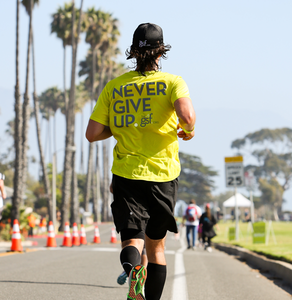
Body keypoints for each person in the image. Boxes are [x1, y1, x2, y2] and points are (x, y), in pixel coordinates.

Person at [86, 22, 196, 300]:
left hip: (126, 173)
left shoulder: (115, 86)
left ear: (134, 51)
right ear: (161, 52)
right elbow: (188, 117)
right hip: (162, 174)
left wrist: (124, 126)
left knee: (131, 239)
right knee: (156, 246)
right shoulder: (173, 82)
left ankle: (135, 272)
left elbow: (92, 133)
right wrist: (188, 131)